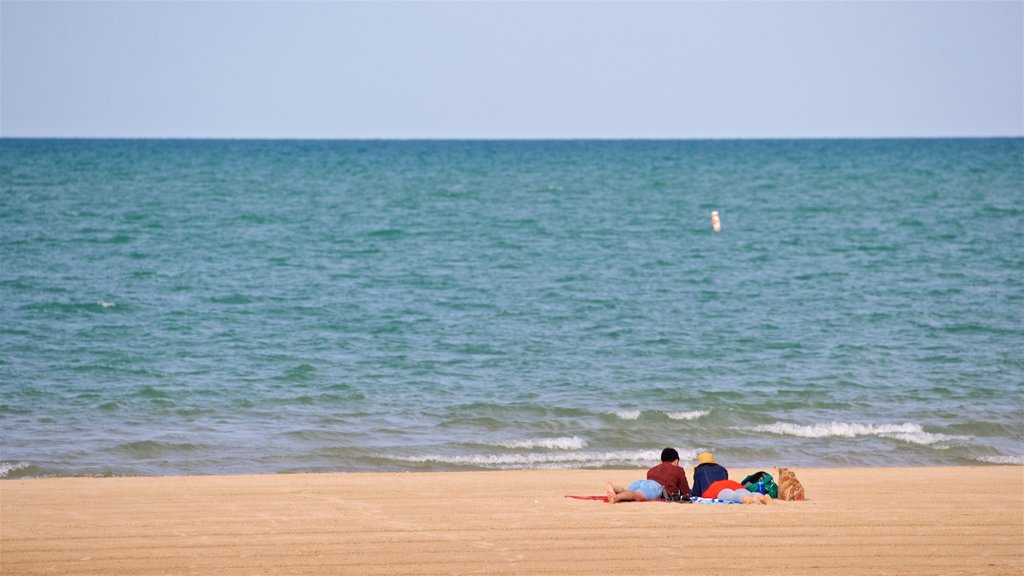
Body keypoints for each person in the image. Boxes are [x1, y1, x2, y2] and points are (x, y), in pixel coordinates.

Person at [605, 448, 691, 503]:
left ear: (662, 460)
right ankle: (616, 498)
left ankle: (613, 488)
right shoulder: (678, 469)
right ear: (676, 461)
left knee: (627, 491)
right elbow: (686, 492)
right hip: (656, 486)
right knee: (637, 495)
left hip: (642, 482)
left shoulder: (652, 470)